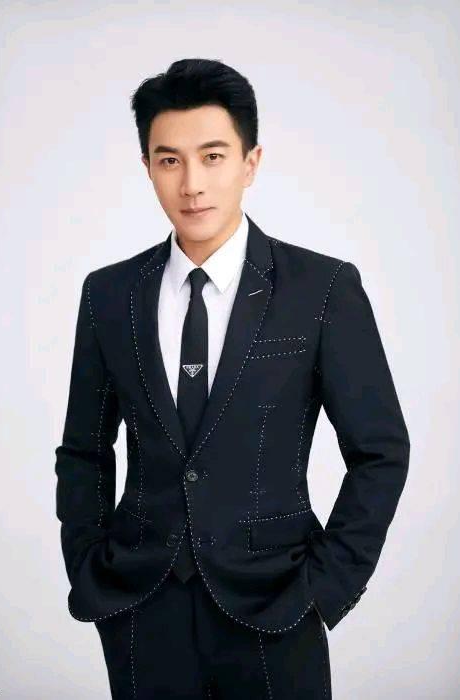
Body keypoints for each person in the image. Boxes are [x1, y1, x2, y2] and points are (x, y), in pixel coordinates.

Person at [54, 57, 410, 699]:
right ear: (147, 168)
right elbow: (84, 450)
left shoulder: (322, 290)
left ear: (250, 163)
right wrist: (88, 564)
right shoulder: (109, 295)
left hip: (278, 605)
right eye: (169, 160)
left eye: (213, 157)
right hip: (141, 608)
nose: (192, 184)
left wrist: (326, 588)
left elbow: (380, 451)